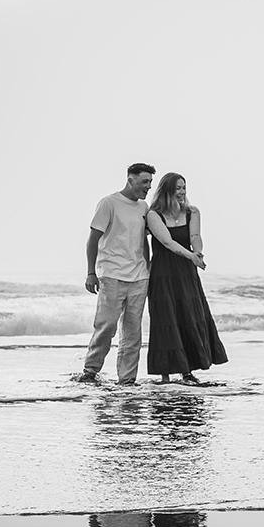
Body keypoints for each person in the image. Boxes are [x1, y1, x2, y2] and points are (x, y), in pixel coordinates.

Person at [145, 172, 228, 383]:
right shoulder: (154, 215)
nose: (181, 192)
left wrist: (198, 252)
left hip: (186, 272)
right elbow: (167, 242)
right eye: (177, 188)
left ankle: (187, 371)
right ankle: (165, 375)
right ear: (167, 191)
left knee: (188, 316)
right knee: (166, 319)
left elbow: (195, 237)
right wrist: (191, 255)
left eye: (184, 188)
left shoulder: (192, 212)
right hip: (163, 273)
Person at [78, 163, 156, 385]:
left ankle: (127, 380)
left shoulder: (144, 207)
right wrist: (91, 272)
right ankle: (90, 372)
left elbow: (144, 240)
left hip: (139, 276)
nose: (148, 187)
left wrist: (148, 269)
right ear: (130, 180)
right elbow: (93, 238)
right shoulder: (108, 203)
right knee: (106, 327)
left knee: (133, 333)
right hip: (111, 273)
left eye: (150, 182)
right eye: (144, 182)